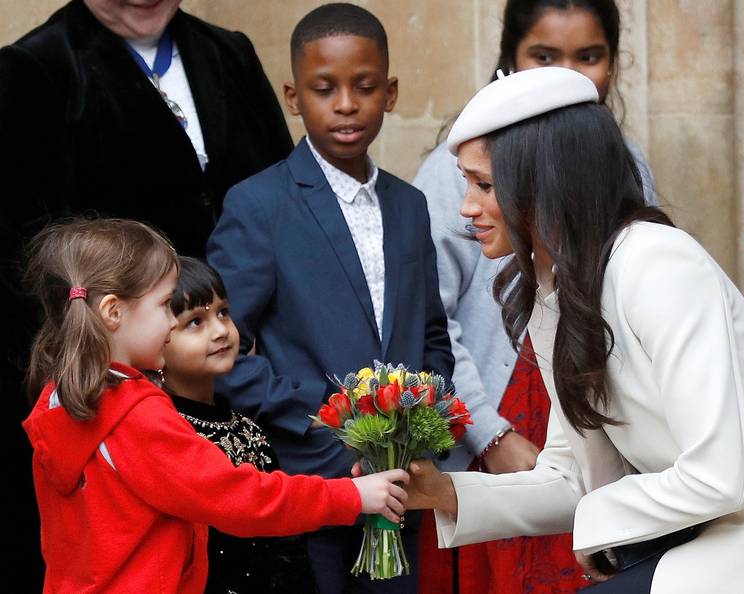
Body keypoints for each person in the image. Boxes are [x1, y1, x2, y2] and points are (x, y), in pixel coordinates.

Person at [407, 67, 744, 593]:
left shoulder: (657, 263)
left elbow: (717, 477)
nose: (466, 207)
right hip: (708, 534)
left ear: (545, 183)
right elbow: (573, 479)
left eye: (484, 185)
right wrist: (445, 493)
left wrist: (600, 529)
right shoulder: (555, 292)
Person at [1, 2, 293, 583]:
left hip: (238, 370)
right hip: (123, 376)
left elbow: (277, 199)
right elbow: (22, 258)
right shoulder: (33, 68)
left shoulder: (228, 51)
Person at [205, 5, 454, 594]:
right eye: (325, 89)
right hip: (308, 479)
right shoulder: (258, 205)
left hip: (399, 482)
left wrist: (417, 430)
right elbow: (220, 351)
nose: (346, 104)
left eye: (364, 87)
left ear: (390, 93)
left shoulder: (409, 205)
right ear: (294, 97)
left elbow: (432, 334)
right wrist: (323, 428)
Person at [21, 218, 410, 594]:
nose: (171, 325)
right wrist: (352, 496)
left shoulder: (60, 398)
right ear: (112, 312)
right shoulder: (136, 415)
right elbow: (242, 499)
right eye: (163, 306)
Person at [411, 1, 656, 592]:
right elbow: (430, 319)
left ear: (613, 63)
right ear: (510, 60)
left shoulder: (628, 175)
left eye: (588, 56)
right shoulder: (457, 172)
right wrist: (487, 434)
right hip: (494, 423)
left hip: (590, 413)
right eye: (544, 56)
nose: (568, 74)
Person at [159, 257, 317, 594]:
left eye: (222, 312)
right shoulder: (165, 432)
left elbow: (285, 539)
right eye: (195, 322)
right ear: (156, 337)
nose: (220, 331)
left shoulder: (248, 429)